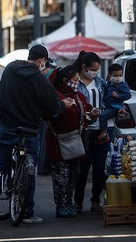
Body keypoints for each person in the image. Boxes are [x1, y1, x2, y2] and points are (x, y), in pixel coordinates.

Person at [0, 44, 74, 224]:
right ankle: (27, 213)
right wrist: (65, 104)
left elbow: (1, 91)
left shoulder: (10, 69)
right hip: (29, 131)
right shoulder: (39, 79)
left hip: (6, 126)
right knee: (28, 169)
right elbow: (53, 106)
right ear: (42, 61)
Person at [44, 65, 92, 218]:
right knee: (61, 177)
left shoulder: (78, 96)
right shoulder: (55, 96)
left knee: (74, 175)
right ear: (65, 80)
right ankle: (61, 206)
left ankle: (69, 203)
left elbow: (86, 111)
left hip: (76, 142)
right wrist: (63, 106)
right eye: (75, 80)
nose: (77, 83)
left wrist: (93, 114)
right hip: (59, 143)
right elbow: (48, 113)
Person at [72, 51, 108, 214]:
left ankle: (95, 201)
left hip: (100, 130)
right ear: (84, 67)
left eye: (97, 69)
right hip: (83, 131)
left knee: (100, 168)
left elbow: (107, 102)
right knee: (83, 168)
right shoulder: (75, 83)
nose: (95, 72)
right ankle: (77, 201)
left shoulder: (100, 82)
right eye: (93, 69)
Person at [96, 63, 131, 144]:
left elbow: (128, 95)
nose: (118, 78)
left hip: (115, 107)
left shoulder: (123, 85)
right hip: (107, 106)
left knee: (103, 116)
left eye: (120, 75)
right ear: (110, 75)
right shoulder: (108, 83)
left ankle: (104, 133)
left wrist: (118, 95)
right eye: (115, 76)